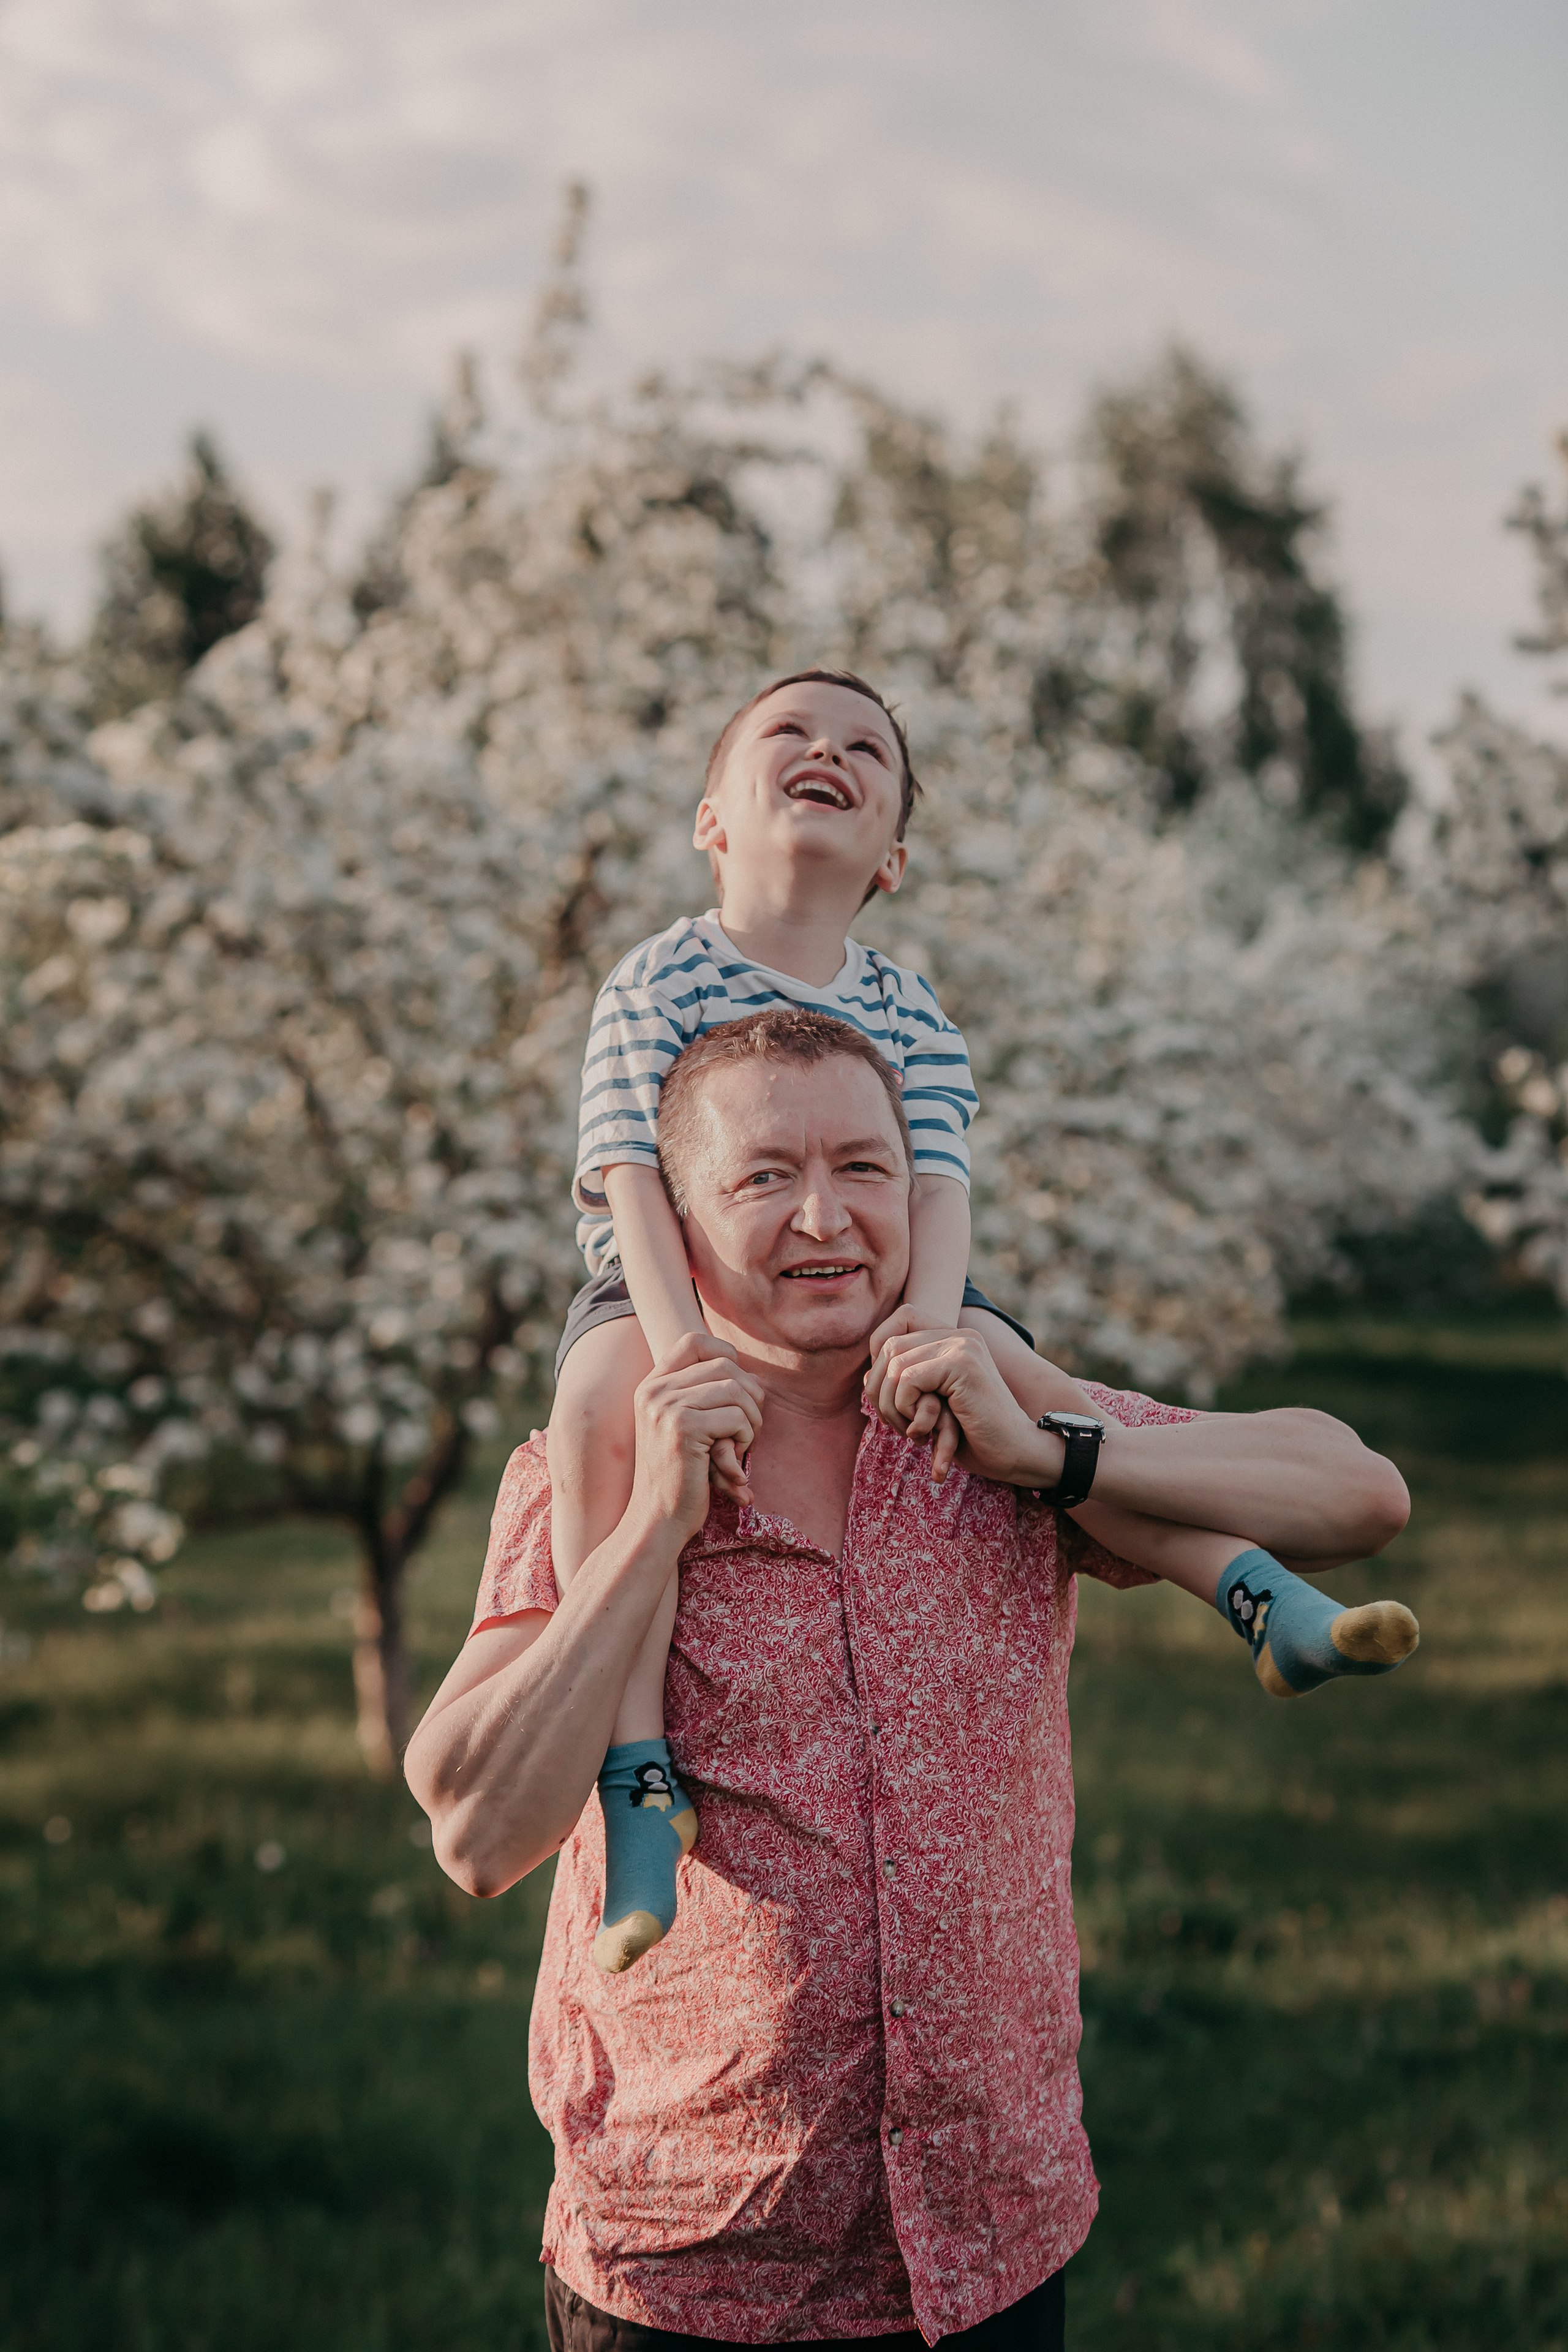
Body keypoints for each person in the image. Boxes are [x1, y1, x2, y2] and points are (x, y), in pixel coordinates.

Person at [405, 1010, 1414, 2352]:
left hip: (989, 2241)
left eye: (862, 1169)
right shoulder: (593, 1468)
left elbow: (1356, 1492)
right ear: (678, 1227)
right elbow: (477, 1832)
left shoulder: (990, 1420)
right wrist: (652, 1525)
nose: (823, 1216)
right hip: (691, 2263)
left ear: (919, 1193)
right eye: (763, 1177)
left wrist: (1059, 1457)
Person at [544, 669, 1419, 1973]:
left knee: (1021, 1406)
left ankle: (1254, 1593)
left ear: (890, 854)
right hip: (669, 1287)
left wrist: (936, 1326)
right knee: (597, 1408)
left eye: (864, 749)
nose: (824, 750)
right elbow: (625, 1173)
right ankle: (635, 1783)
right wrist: (684, 1356)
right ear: (709, 818)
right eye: (785, 733)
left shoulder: (910, 1012)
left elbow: (938, 1189)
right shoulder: (655, 979)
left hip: (895, 1288)